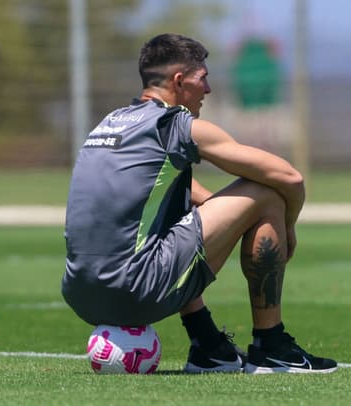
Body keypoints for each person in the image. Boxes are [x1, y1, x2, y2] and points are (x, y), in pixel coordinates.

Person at [61, 33, 337, 374]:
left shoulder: (110, 123)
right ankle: (272, 346)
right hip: (135, 291)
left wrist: (224, 216)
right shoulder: (175, 125)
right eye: (202, 78)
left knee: (176, 203)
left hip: (80, 293)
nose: (208, 90)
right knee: (265, 192)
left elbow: (156, 190)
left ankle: (209, 346)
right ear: (179, 81)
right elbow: (289, 177)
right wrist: (288, 226)